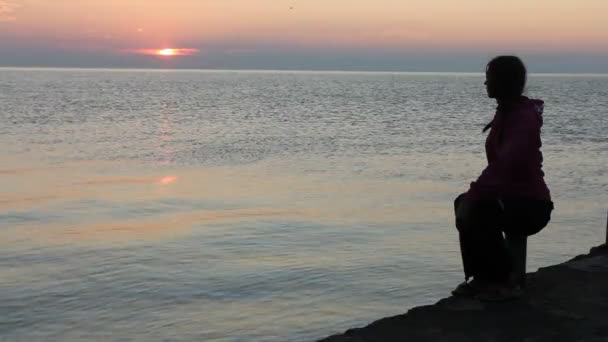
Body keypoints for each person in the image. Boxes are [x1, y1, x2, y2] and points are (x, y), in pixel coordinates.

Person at [452, 56, 554, 301]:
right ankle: (482, 277)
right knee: (464, 202)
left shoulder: (523, 118)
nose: (485, 84)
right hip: (512, 198)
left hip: (531, 204)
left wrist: (473, 197)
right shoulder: (507, 113)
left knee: (476, 207)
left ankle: (500, 281)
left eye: (489, 79)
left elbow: (504, 165)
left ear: (502, 82)